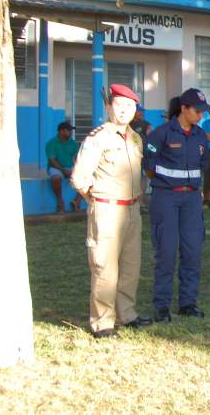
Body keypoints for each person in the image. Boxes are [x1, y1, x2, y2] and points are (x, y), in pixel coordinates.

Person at [70, 84, 150, 338]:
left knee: (131, 266)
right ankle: (103, 322)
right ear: (108, 107)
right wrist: (96, 199)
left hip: (133, 210)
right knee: (105, 267)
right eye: (119, 105)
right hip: (107, 210)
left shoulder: (136, 138)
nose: (125, 111)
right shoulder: (98, 137)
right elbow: (79, 177)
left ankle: (127, 313)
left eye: (130, 106)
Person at [144, 88, 210, 321]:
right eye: (197, 110)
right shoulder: (161, 134)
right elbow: (149, 168)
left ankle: (188, 303)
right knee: (167, 251)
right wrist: (168, 184)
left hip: (191, 199)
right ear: (183, 108)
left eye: (203, 111)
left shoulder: (200, 136)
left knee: (192, 251)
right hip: (166, 198)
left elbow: (203, 164)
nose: (201, 115)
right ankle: (161, 306)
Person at [46, 120, 82, 212]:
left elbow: (77, 158)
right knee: (56, 178)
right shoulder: (51, 144)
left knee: (88, 178)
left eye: (71, 130)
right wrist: (63, 170)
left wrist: (76, 169)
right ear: (61, 131)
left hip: (70, 167)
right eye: (68, 130)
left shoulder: (73, 143)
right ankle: (60, 200)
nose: (70, 132)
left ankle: (76, 201)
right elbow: (52, 160)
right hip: (56, 168)